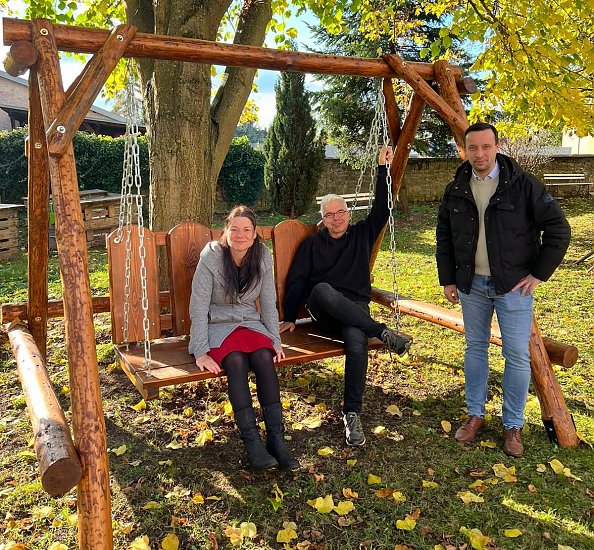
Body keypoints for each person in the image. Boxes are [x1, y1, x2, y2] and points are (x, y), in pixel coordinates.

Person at [436, 122, 571, 457]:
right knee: (475, 349)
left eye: (485, 147)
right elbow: (444, 236)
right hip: (471, 286)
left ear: (497, 147)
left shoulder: (523, 185)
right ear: (464, 151)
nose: (479, 154)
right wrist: (448, 278)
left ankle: (513, 425)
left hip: (513, 288)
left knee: (516, 355)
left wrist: (539, 274)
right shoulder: (456, 187)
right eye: (472, 148)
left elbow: (559, 230)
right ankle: (475, 415)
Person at [279, 147, 411, 447]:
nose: (336, 218)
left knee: (356, 341)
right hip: (323, 309)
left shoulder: (363, 233)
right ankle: (382, 332)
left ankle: (352, 414)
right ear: (322, 219)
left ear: (348, 214)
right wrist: (288, 316)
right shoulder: (313, 244)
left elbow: (383, 207)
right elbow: (298, 280)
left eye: (341, 213)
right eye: (329, 215)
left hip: (355, 313)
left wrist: (382, 168)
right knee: (324, 289)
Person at [189, 206, 299, 471]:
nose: (240, 235)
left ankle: (276, 439)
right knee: (236, 362)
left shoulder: (262, 256)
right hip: (218, 325)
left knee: (264, 356)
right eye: (234, 229)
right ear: (225, 231)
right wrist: (200, 351)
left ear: (254, 234)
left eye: (246, 230)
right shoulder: (211, 256)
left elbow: (268, 302)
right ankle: (252, 443)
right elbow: (199, 304)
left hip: (250, 323)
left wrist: (274, 340)